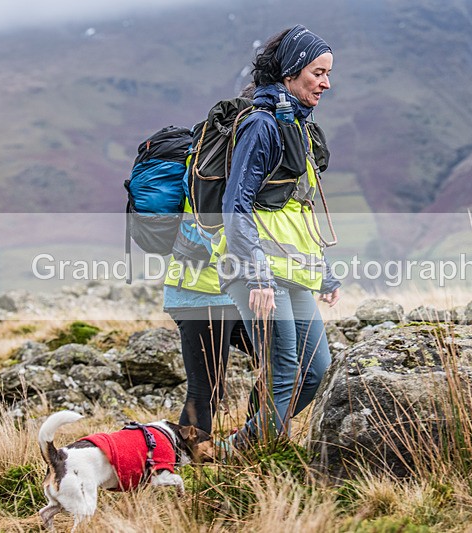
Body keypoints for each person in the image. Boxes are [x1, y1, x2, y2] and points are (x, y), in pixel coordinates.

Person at [218, 24, 341, 446]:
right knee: (286, 369)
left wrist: (323, 271)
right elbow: (236, 205)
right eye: (317, 72)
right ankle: (254, 458)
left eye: (327, 73)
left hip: (292, 271)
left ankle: (243, 444)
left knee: (316, 368)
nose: (326, 83)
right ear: (291, 70)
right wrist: (258, 276)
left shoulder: (298, 127)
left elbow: (299, 209)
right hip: (257, 273)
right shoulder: (262, 126)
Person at [162, 83, 260, 435]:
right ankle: (188, 471)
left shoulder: (244, 159)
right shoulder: (212, 161)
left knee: (280, 365)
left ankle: (254, 440)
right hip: (200, 290)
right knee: (206, 392)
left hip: (236, 289)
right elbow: (212, 229)